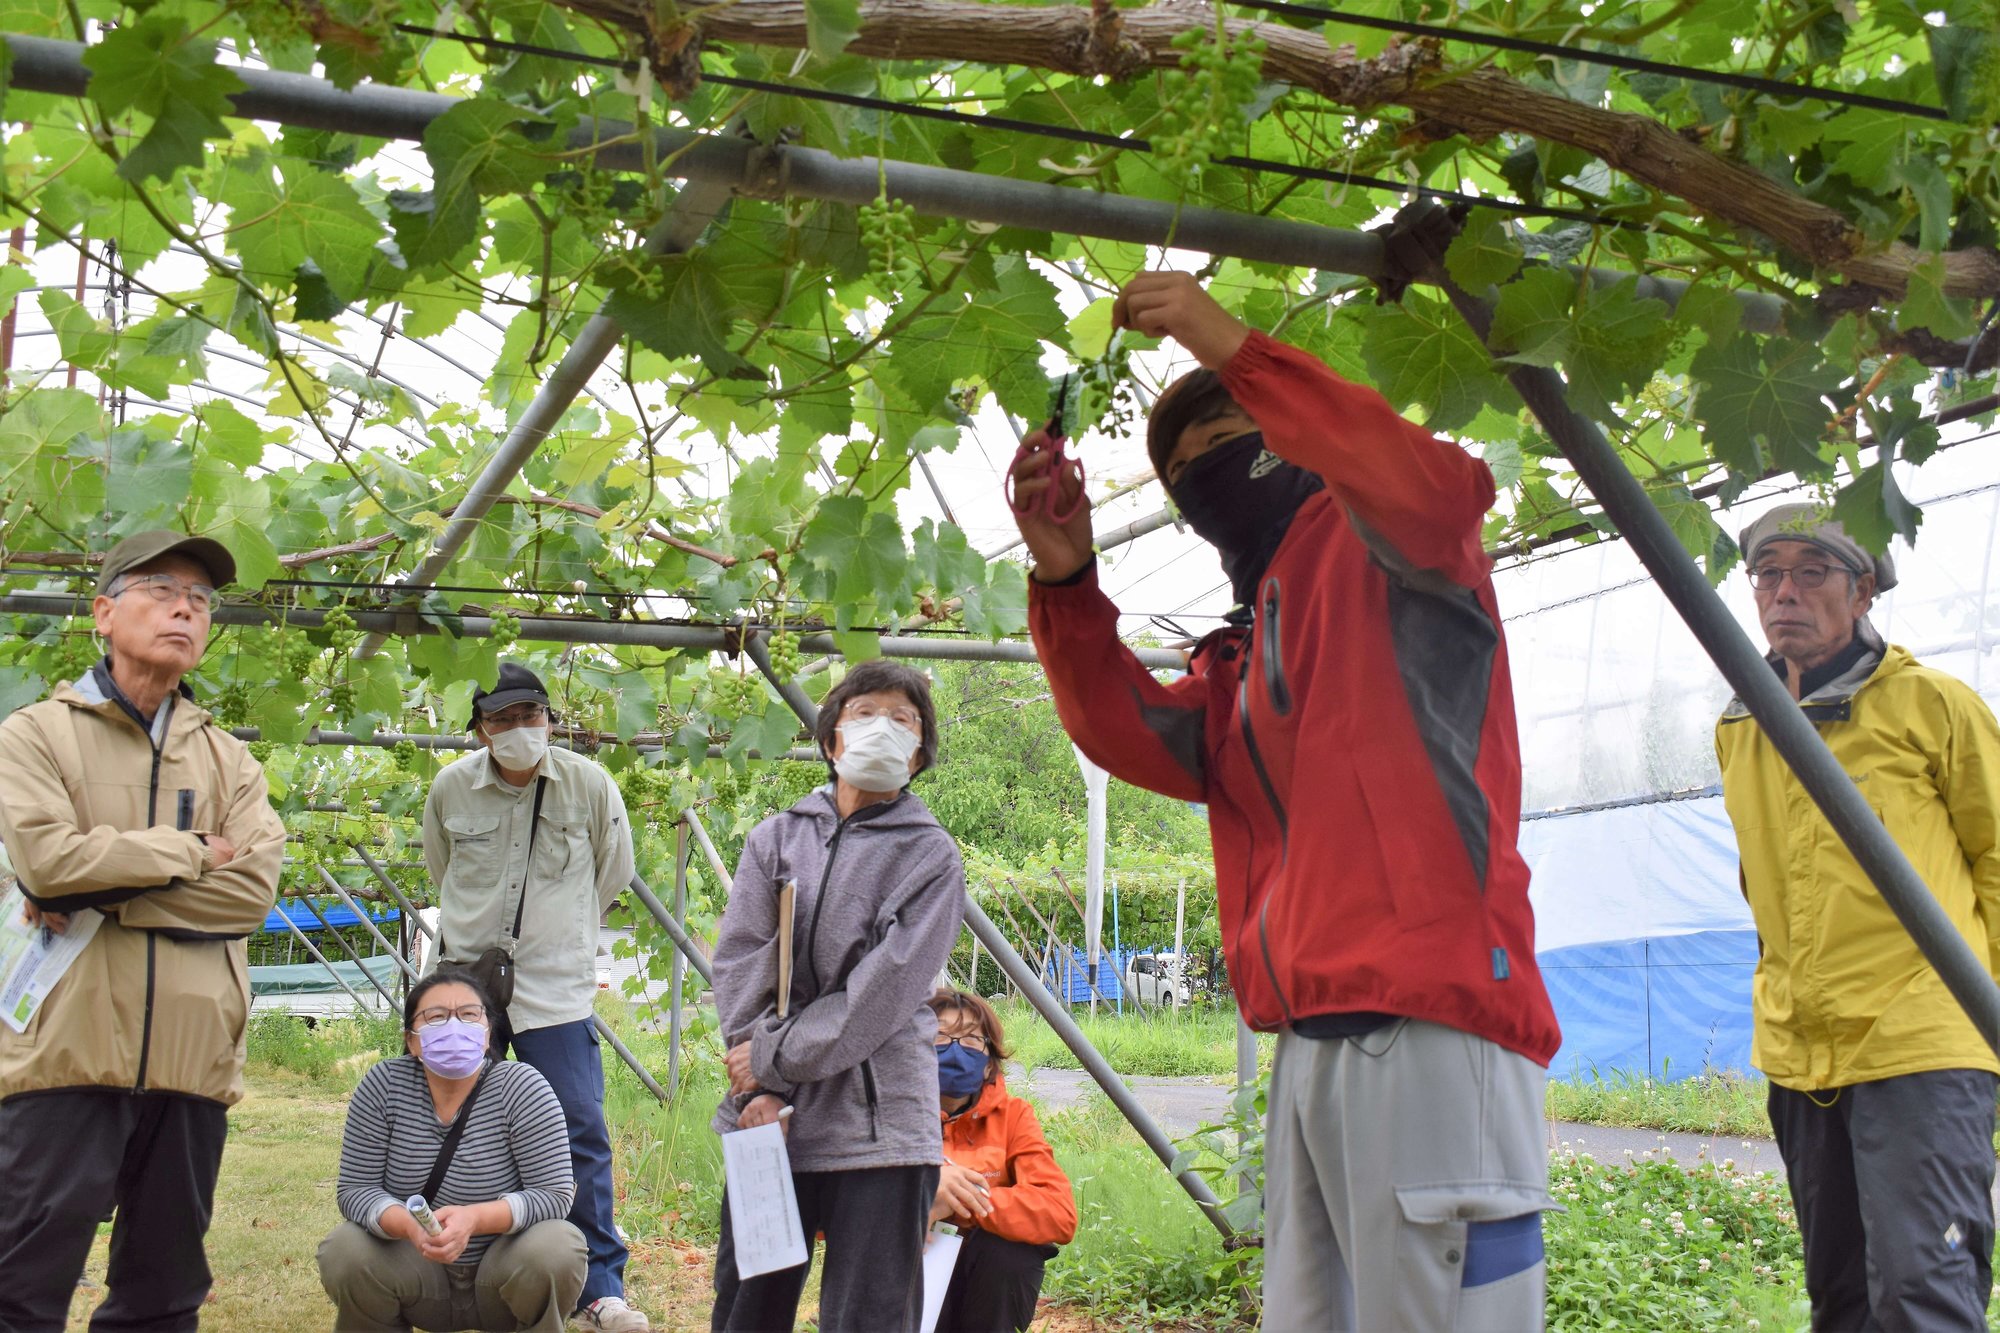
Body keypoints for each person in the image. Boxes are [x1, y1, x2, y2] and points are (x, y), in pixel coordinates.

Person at [1008, 272, 1561, 1330]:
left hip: (1429, 1027)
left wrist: (1232, 347)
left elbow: (1439, 487)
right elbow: (1127, 732)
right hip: (1308, 1040)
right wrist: (1067, 582)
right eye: (1177, 468)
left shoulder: (1389, 545)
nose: (1197, 470)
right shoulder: (1245, 644)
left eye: (1220, 431)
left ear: (1287, 427)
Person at [1717, 503, 2000, 1330]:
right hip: (1803, 1051)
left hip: (1921, 1040)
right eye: (1768, 574)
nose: (1784, 593)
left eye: (1812, 572)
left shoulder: (1931, 706)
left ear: (1864, 589)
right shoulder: (1741, 725)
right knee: (1838, 1297)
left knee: (1922, 1289)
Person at [0, 530, 286, 1332]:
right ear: (103, 610)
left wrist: (108, 891)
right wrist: (193, 851)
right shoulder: (34, 734)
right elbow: (49, 860)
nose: (184, 608)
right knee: (22, 1283)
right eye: (162, 588)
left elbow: (251, 892)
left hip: (193, 1061)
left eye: (200, 599)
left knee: (163, 1294)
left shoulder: (230, 761)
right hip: (64, 1050)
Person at [708, 659, 969, 1333]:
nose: (884, 727)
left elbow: (880, 996)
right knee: (748, 1309)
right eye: (865, 713)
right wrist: (756, 1087)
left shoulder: (931, 855)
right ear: (831, 740)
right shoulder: (777, 837)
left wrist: (772, 1060)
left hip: (881, 1126)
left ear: (919, 752)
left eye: (903, 719)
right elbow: (740, 962)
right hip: (772, 1119)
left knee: (870, 1317)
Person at [421, 663, 645, 1333]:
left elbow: (614, 871)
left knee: (579, 1126)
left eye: (532, 716)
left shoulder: (588, 785)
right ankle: (457, 1270)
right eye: (504, 719)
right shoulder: (451, 789)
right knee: (453, 1122)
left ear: (550, 717)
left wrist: (558, 929)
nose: (521, 730)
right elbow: (442, 871)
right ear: (480, 729)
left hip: (556, 988)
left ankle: (599, 1286)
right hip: (466, 989)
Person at [319, 967, 587, 1332]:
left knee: (558, 1246)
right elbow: (355, 1191)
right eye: (437, 1017)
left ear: (487, 1031)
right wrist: (410, 1228)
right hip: (416, 1274)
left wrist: (475, 1218)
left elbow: (554, 1195)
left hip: (502, 1277)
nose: (455, 1026)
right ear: (412, 1040)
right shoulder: (383, 1085)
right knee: (345, 1248)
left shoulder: (523, 1087)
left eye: (469, 1014)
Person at [925, 989, 1076, 1333]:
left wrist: (958, 1197)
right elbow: (832, 1221)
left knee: (1011, 1251)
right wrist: (917, 1194)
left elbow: (1059, 1213)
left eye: (971, 1041)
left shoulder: (1013, 1117)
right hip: (913, 1265)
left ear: (990, 1062)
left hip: (982, 1283)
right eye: (940, 1036)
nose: (954, 1049)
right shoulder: (891, 1116)